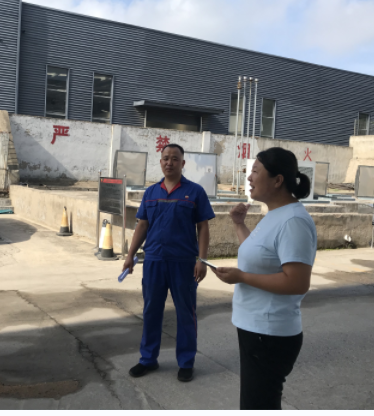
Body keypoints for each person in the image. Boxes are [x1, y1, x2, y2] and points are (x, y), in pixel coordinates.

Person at [211, 147, 317, 410]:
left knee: (258, 405)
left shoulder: (293, 221)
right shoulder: (276, 214)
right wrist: (239, 224)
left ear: (277, 180)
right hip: (256, 328)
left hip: (269, 334)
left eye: (255, 172)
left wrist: (242, 277)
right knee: (256, 403)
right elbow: (260, 255)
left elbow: (297, 282)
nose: (249, 177)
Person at [122, 143, 215, 382]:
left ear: (182, 163)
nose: (169, 162)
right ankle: (148, 359)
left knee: (186, 313)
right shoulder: (151, 192)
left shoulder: (195, 192)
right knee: (151, 310)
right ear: (160, 161)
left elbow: (203, 227)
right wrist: (130, 254)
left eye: (174, 159)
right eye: (165, 158)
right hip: (154, 260)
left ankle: (186, 362)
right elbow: (142, 225)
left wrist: (202, 259)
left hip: (183, 262)